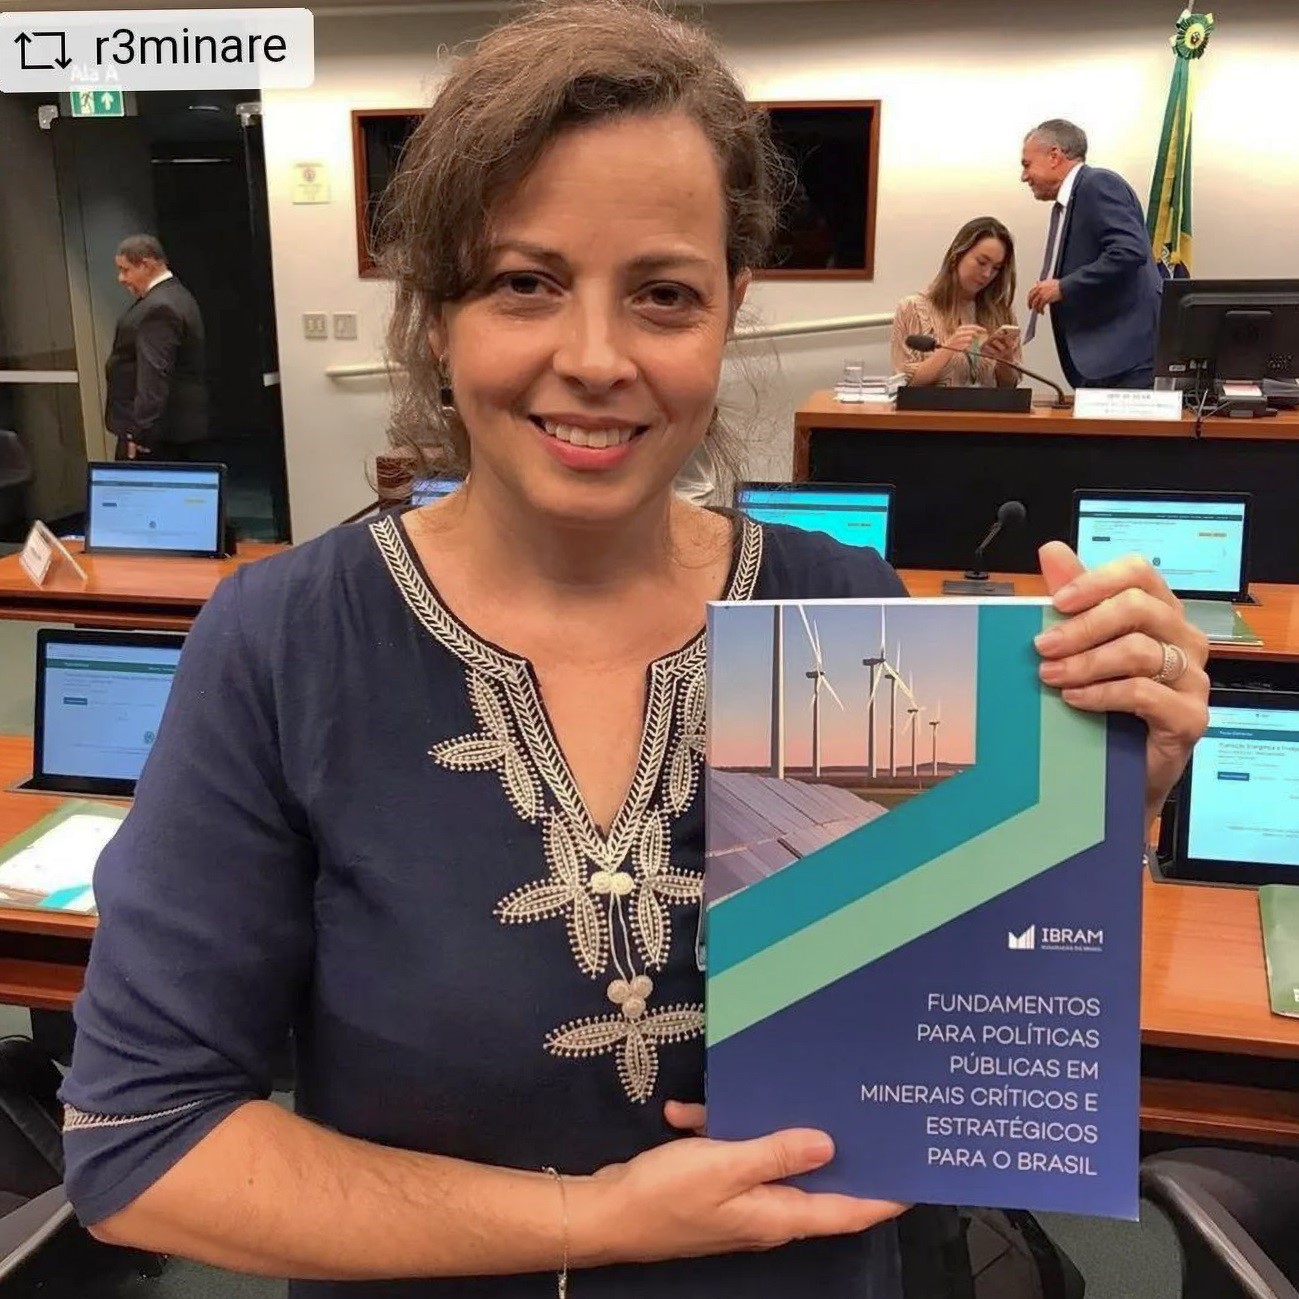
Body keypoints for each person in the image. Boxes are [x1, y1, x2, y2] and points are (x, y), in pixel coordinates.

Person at [60, 4, 1209, 1297]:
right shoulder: (285, 644)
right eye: (523, 282)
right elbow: (142, 1141)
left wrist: (1105, 786)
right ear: (436, 315)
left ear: (728, 310)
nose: (596, 358)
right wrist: (593, 1217)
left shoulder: (838, 614)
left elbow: (955, 1054)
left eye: (663, 294)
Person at [1020, 119, 1163, 390]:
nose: (1024, 176)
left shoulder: (1097, 184)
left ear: (1054, 156)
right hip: (1102, 360)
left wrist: (1063, 286)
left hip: (1125, 359)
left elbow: (1128, 251)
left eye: (1027, 165)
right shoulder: (1074, 197)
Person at [104, 234, 208, 460]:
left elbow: (154, 373)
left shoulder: (159, 308)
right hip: (170, 431)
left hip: (156, 437)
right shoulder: (177, 295)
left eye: (125, 270)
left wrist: (141, 433)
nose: (121, 278)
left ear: (146, 265)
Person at [891, 217, 1024, 388]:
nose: (987, 274)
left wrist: (1005, 361)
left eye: (996, 268)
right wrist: (948, 349)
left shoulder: (1000, 312)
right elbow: (906, 384)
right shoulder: (913, 308)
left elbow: (1010, 385)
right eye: (981, 262)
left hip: (987, 405)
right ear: (957, 255)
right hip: (932, 406)